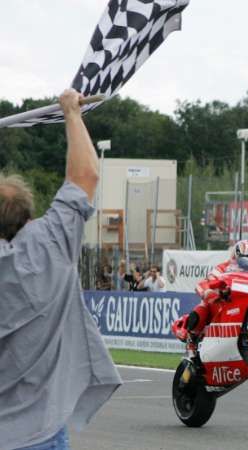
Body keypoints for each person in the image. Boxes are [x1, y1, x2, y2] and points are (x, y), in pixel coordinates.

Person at [0, 89, 122, 450]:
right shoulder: (51, 243)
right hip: (40, 432)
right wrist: (72, 112)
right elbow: (85, 174)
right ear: (29, 214)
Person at [186, 240, 248, 350]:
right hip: (222, 302)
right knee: (200, 313)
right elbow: (205, 282)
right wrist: (209, 293)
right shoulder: (223, 268)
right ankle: (192, 343)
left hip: (244, 303)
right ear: (237, 255)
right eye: (247, 258)